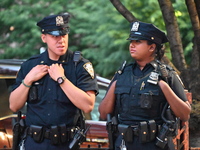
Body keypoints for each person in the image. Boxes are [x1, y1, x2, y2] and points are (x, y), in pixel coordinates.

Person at [9, 12, 98, 150]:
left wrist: (61, 79)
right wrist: (28, 80)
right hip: (34, 142)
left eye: (64, 35)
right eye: (55, 36)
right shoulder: (30, 65)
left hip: (65, 143)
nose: (61, 40)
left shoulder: (80, 66)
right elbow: (14, 106)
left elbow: (88, 105)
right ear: (44, 38)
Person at [98, 21, 191, 150]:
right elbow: (103, 113)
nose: (132, 45)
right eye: (131, 42)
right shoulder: (122, 74)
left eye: (138, 42)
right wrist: (114, 86)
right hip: (124, 143)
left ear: (152, 47)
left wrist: (164, 87)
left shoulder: (167, 75)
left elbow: (185, 114)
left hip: (154, 144)